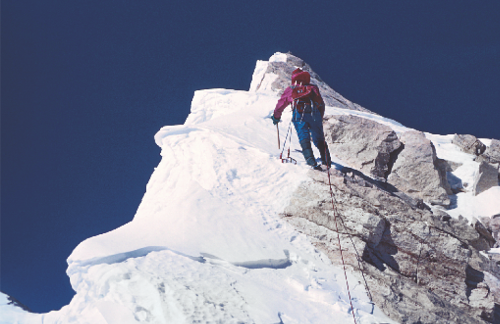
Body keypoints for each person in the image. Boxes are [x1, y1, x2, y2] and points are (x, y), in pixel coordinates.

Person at [271, 68, 331, 170]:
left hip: (299, 114)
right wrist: (319, 117)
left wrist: (276, 116)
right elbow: (321, 103)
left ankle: (311, 161)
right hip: (314, 114)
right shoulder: (313, 87)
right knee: (319, 138)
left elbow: (282, 103)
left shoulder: (291, 88)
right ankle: (327, 160)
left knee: (303, 136)